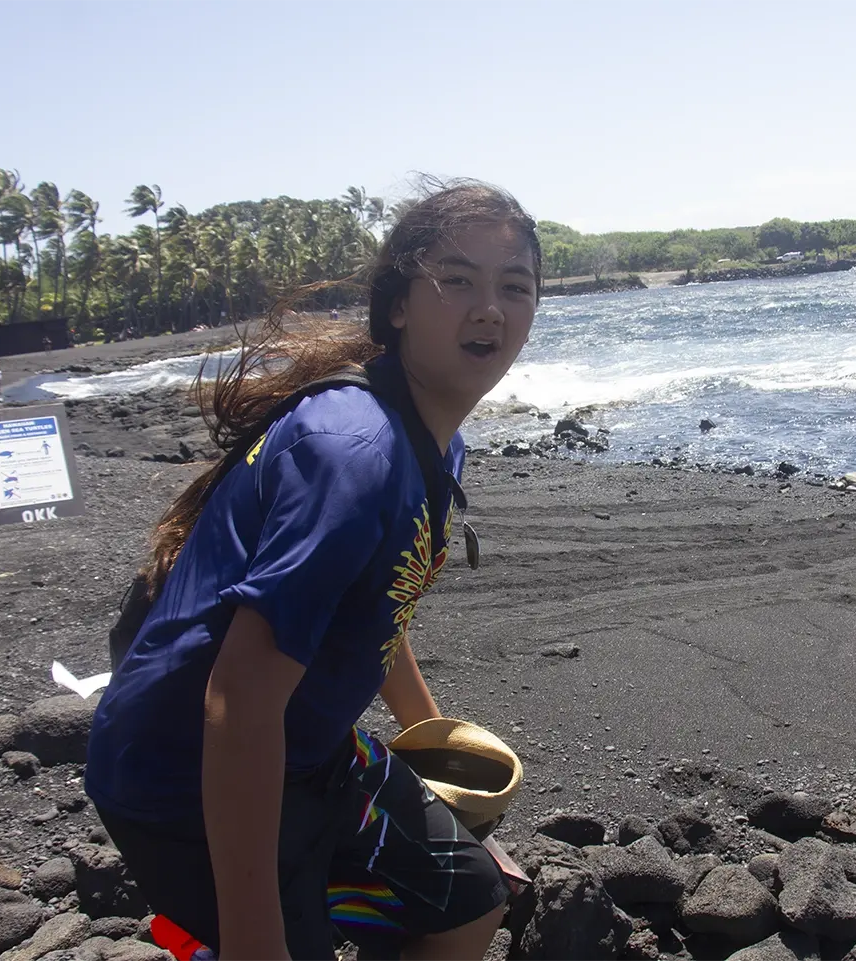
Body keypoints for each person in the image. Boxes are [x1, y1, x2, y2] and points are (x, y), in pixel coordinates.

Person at [86, 180, 540, 961]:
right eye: (456, 281)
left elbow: (372, 608)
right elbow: (237, 700)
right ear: (398, 303)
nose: (490, 309)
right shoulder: (354, 454)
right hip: (183, 776)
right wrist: (257, 936)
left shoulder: (431, 438)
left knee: (470, 901)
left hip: (305, 745)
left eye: (515, 287)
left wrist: (428, 749)